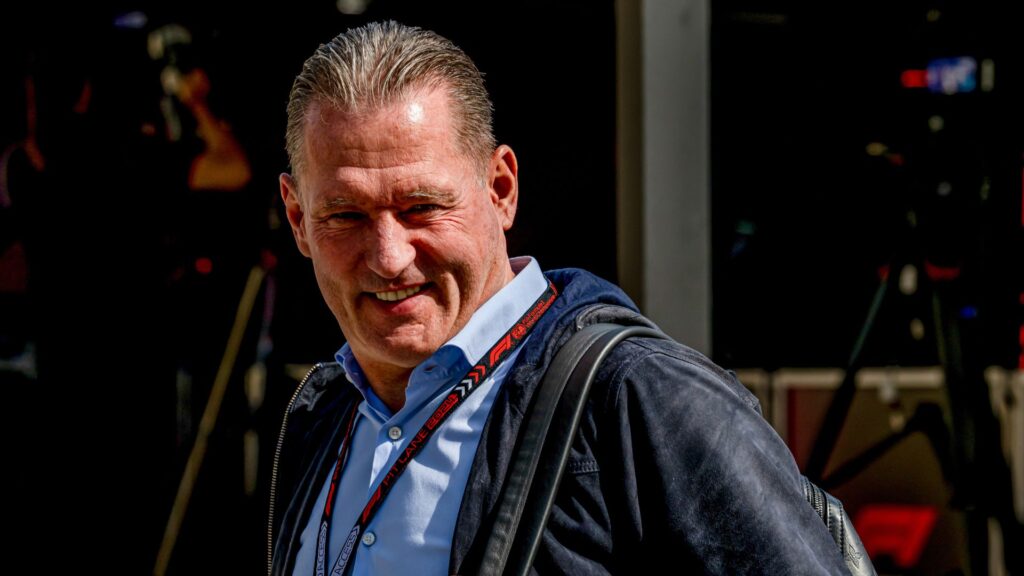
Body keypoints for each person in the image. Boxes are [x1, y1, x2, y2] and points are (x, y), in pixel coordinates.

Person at [270, 21, 852, 575]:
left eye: (422, 207)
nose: (389, 255)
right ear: (298, 219)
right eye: (345, 215)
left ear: (501, 189)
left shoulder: (642, 396)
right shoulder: (321, 417)